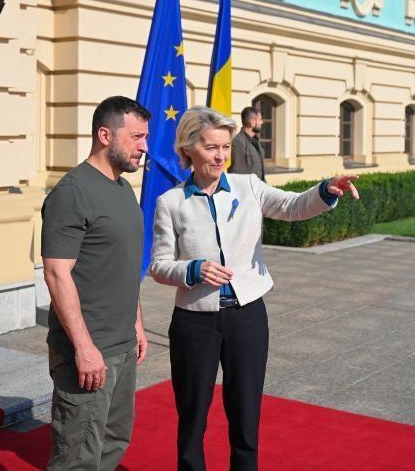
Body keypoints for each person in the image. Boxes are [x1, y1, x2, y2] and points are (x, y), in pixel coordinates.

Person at [150, 106, 359, 471]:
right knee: (192, 417)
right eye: (211, 147)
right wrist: (193, 270)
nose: (220, 156)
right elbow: (158, 265)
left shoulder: (248, 187)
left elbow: (293, 206)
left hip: (247, 317)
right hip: (193, 322)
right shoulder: (170, 203)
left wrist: (326, 190)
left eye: (225, 146)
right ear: (188, 149)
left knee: (246, 416)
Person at [41, 95, 151, 471]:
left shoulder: (123, 188)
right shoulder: (72, 192)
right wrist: (85, 348)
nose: (144, 147)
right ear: (105, 135)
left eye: (145, 138)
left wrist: (136, 321)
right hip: (87, 351)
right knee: (77, 456)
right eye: (136, 137)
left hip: (121, 343)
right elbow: (57, 273)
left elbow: (122, 264)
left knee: (113, 442)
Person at [228, 106, 265, 180]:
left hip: (258, 187)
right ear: (252, 122)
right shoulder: (239, 142)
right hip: (247, 189)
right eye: (260, 119)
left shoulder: (255, 140)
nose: (262, 122)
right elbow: (237, 173)